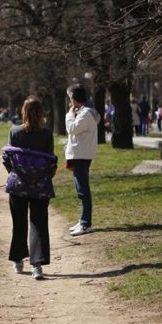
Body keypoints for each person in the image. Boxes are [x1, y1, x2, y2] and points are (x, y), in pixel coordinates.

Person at [2, 96, 57, 280]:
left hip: (18, 186)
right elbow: (51, 160)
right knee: (39, 224)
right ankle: (37, 266)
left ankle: (18, 260)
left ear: (23, 112)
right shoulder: (46, 134)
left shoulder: (14, 131)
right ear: (42, 113)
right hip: (40, 186)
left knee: (19, 223)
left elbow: (7, 158)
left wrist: (15, 173)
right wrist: (44, 176)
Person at [65, 84, 99, 237]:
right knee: (81, 190)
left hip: (81, 155)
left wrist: (69, 115)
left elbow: (72, 129)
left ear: (74, 98)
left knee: (83, 190)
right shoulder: (83, 112)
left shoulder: (85, 114)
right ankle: (83, 220)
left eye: (70, 98)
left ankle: (85, 223)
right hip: (80, 154)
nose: (69, 102)